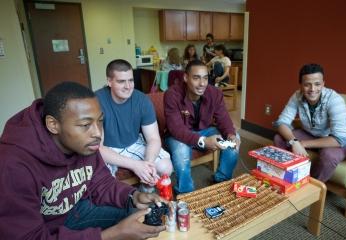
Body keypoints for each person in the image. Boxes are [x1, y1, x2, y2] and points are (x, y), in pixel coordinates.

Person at [0, 82, 167, 239]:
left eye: (100, 121)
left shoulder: (85, 144)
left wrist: (133, 195)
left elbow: (102, 183)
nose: (97, 134)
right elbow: (29, 237)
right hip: (45, 227)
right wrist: (110, 235)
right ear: (53, 125)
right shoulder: (13, 165)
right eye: (85, 124)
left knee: (144, 216)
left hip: (78, 209)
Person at [164, 60, 240, 193]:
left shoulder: (214, 93)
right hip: (178, 135)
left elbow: (224, 119)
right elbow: (176, 129)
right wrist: (202, 141)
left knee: (233, 141)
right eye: (196, 78)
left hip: (204, 130)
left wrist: (231, 135)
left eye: (205, 78)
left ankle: (222, 178)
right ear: (186, 78)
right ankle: (185, 191)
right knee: (181, 150)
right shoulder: (172, 94)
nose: (202, 83)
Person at [96, 59, 173, 192]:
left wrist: (147, 164)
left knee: (165, 167)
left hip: (133, 142)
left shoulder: (142, 100)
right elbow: (99, 148)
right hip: (107, 147)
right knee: (102, 179)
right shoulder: (96, 101)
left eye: (130, 80)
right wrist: (135, 165)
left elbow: (153, 139)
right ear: (109, 81)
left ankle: (145, 193)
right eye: (121, 81)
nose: (128, 86)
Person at [273, 63, 346, 182]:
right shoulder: (297, 96)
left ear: (323, 84)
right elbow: (281, 122)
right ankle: (289, 174)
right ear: (301, 85)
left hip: (332, 140)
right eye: (307, 85)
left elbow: (340, 139)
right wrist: (294, 142)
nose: (312, 89)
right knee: (279, 138)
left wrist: (302, 144)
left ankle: (310, 184)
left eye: (317, 84)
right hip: (310, 134)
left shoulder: (335, 100)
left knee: (329, 157)